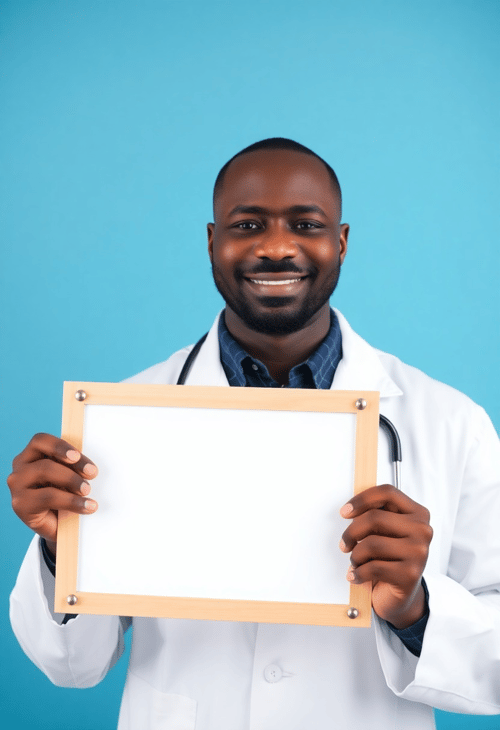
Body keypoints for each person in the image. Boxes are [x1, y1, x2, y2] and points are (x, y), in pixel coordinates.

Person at [8, 138, 500, 729]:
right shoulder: (120, 422)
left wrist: (415, 609)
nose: (275, 247)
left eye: (305, 223)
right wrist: (62, 550)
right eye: (247, 224)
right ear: (212, 242)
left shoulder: (451, 422)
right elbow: (70, 666)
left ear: (340, 242)